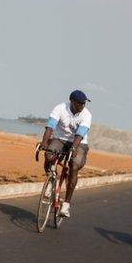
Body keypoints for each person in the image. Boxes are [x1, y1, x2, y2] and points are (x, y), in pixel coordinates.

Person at [37, 90, 92, 218]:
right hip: (60, 139)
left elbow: (80, 133)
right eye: (80, 103)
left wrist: (73, 148)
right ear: (72, 101)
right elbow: (50, 126)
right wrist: (44, 142)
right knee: (49, 154)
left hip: (79, 143)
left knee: (74, 165)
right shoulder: (60, 108)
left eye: (84, 103)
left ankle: (66, 205)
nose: (83, 105)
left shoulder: (86, 114)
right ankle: (51, 179)